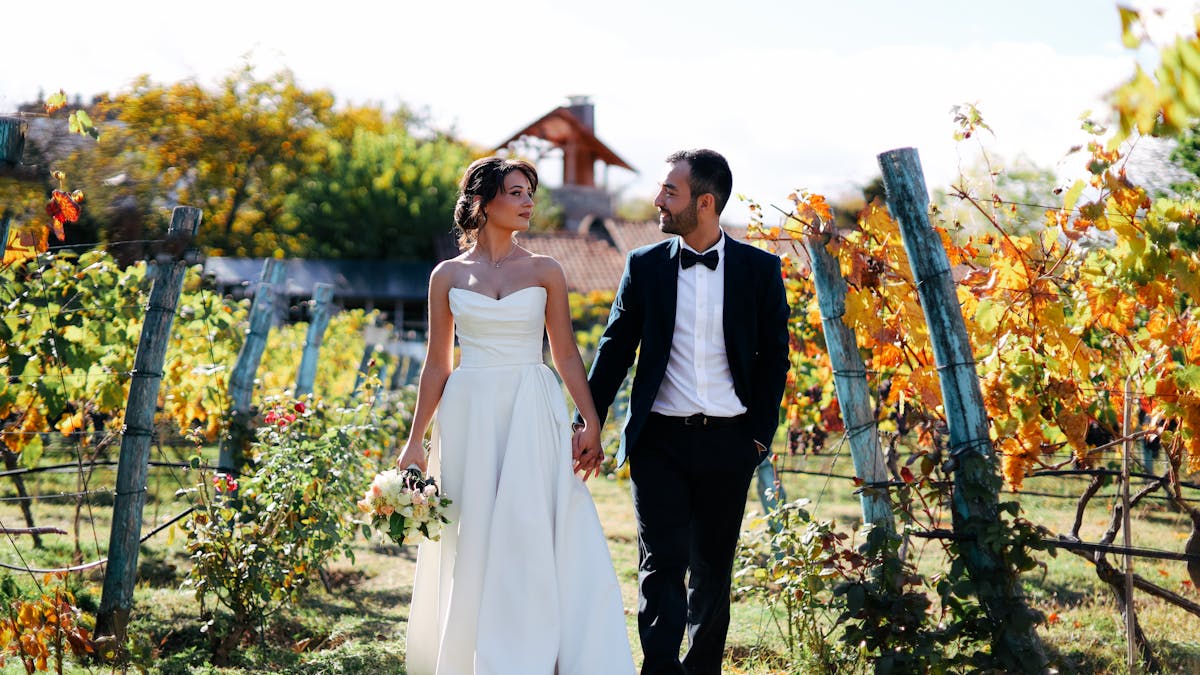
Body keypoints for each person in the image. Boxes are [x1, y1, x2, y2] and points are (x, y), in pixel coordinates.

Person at [396, 156, 635, 674]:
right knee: (473, 530)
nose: (529, 203)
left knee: (532, 523)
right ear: (483, 202)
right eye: (517, 192)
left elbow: (566, 352)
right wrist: (415, 440)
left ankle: (538, 654)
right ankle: (472, 655)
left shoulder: (546, 269)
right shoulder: (447, 275)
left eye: (530, 193)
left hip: (533, 404)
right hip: (468, 411)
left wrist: (590, 419)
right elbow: (437, 364)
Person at [574, 149, 789, 675]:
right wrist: (589, 420)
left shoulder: (760, 270)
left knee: (712, 571)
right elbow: (615, 348)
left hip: (730, 441)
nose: (658, 200)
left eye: (671, 191)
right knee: (661, 564)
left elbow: (775, 359)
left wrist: (758, 438)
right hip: (659, 442)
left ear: (706, 202)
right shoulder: (643, 266)